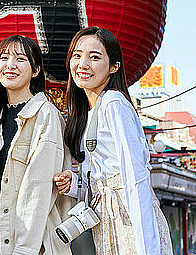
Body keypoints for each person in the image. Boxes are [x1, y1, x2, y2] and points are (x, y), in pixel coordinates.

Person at [53, 27, 172, 255]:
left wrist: (149, 249)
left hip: (126, 218)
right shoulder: (87, 112)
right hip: (104, 217)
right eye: (77, 55)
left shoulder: (113, 103)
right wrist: (76, 183)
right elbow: (103, 175)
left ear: (114, 67)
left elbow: (135, 177)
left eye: (94, 57)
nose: (83, 64)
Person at [0, 35, 72, 255]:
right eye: (4, 58)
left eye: (20, 59)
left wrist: (24, 250)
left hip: (26, 230)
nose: (10, 65)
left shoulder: (46, 115)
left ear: (35, 70)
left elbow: (39, 189)